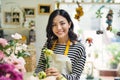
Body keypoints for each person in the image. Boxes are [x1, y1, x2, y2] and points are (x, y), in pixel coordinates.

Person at [34, 9, 86, 80]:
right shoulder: (49, 44)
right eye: (54, 25)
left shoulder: (78, 48)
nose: (58, 28)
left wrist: (59, 75)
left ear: (69, 24)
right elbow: (39, 69)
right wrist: (43, 74)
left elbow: (76, 77)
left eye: (62, 23)